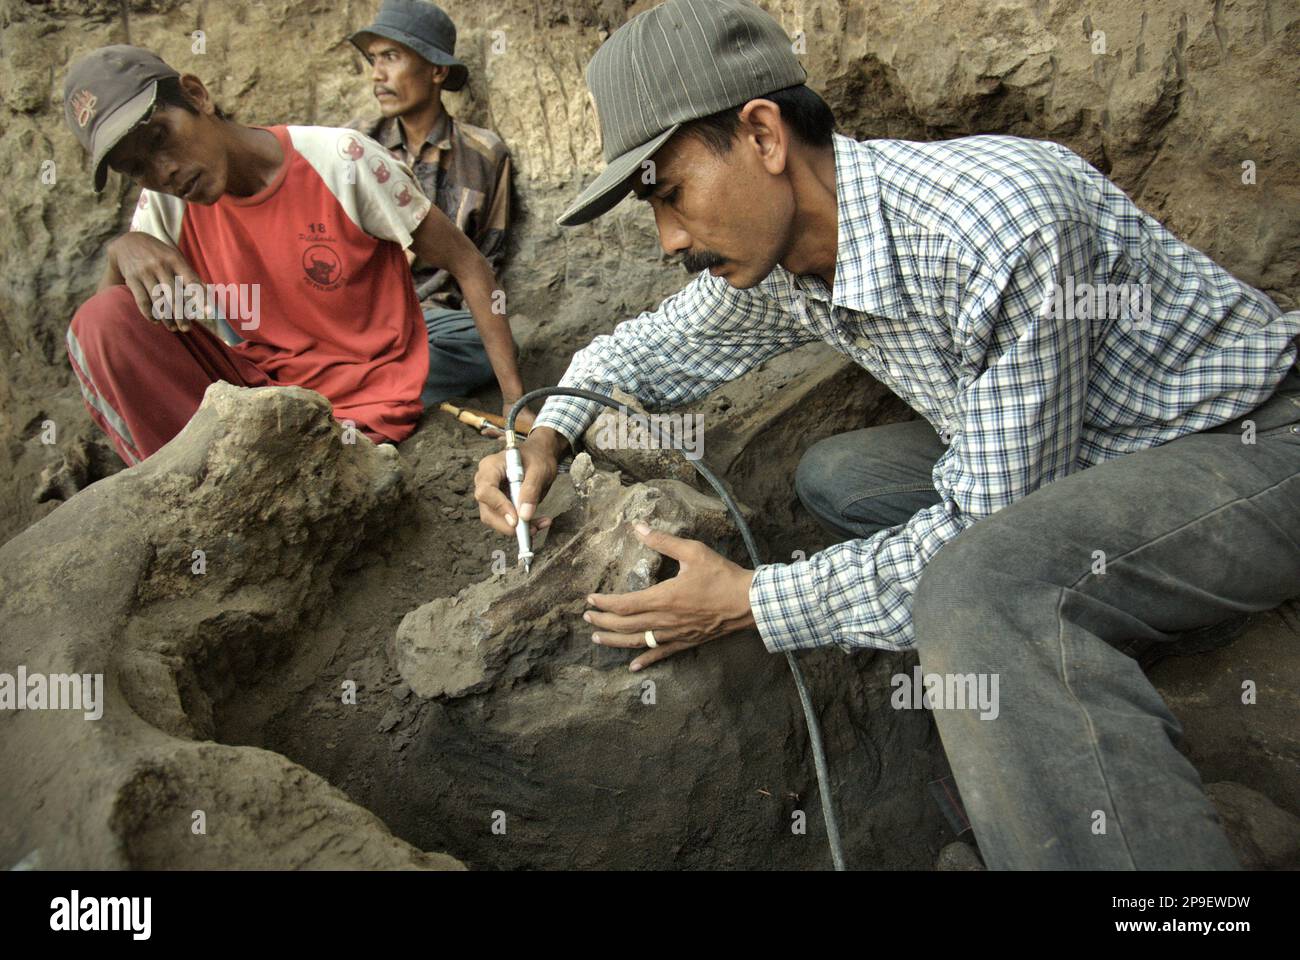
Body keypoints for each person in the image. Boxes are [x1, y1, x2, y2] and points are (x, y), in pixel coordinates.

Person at [472, 0, 1300, 869]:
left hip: (1251, 441)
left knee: (975, 588)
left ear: (761, 136)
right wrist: (543, 431)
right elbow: (644, 347)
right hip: (1082, 453)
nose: (669, 236)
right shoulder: (788, 261)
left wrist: (753, 600)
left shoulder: (1002, 226)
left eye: (670, 193)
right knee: (838, 475)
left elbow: (978, 531)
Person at [63, 44, 532, 467]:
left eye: (161, 137)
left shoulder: (340, 160)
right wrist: (118, 252)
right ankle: (182, 486)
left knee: (474, 337)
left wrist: (516, 402)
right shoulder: (165, 205)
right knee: (98, 317)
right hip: (256, 392)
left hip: (359, 395)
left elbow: (469, 263)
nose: (162, 171)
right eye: (136, 168)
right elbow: (110, 338)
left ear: (197, 94)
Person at [348, 0, 517, 411]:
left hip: (432, 323)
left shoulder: (484, 155)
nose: (377, 74)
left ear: (437, 70)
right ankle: (372, 389)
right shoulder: (355, 149)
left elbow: (486, 266)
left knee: (483, 344)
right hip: (358, 318)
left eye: (392, 57)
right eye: (373, 59)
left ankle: (352, 392)